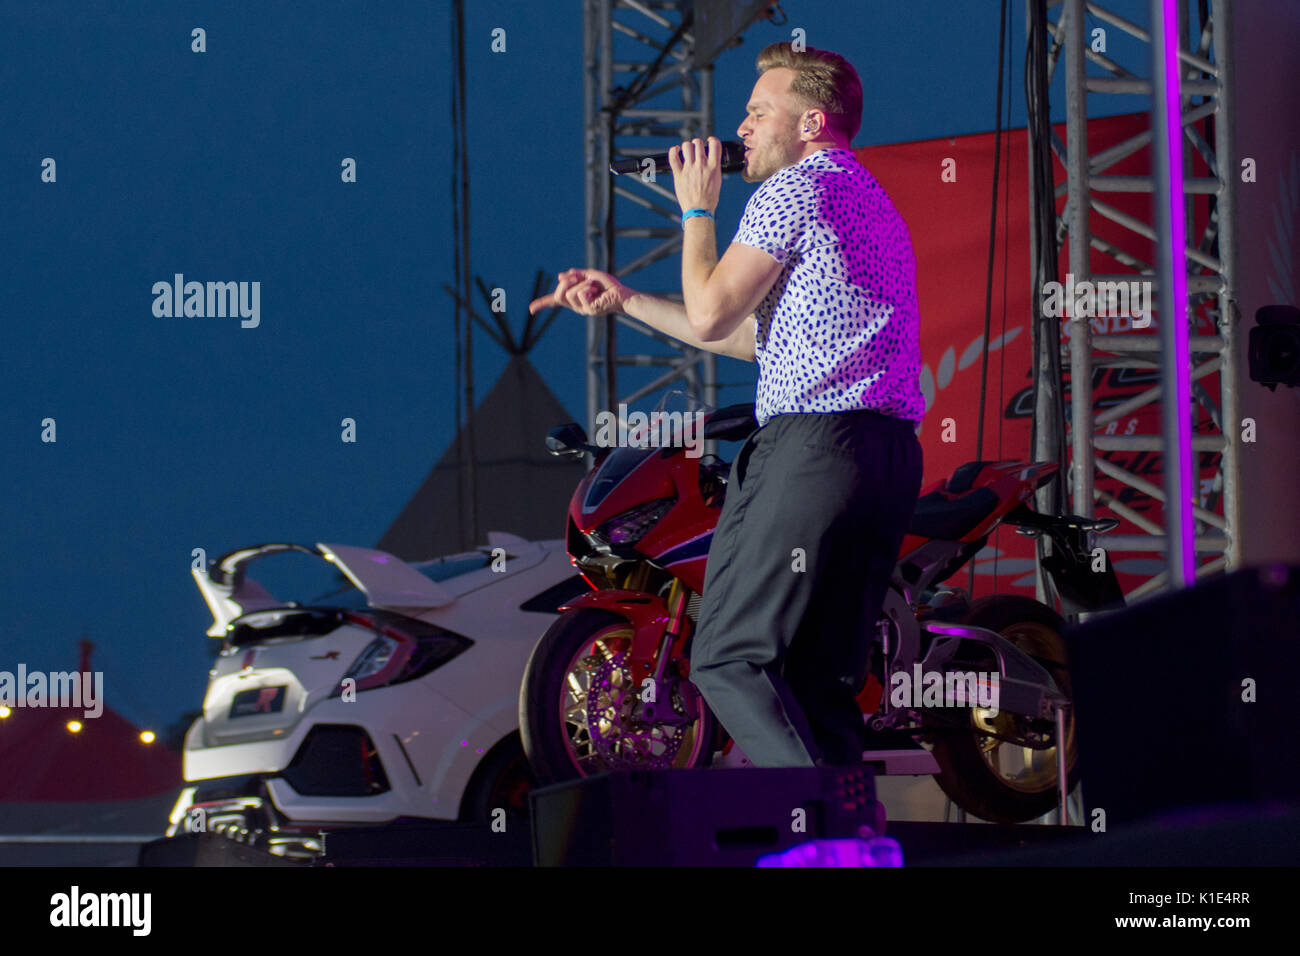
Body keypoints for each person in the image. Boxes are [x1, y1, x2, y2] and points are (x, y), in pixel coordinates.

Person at [530, 41, 926, 767]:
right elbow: (755, 338)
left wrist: (696, 211)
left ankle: (819, 833)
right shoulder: (864, 195)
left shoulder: (793, 190)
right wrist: (627, 300)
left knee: (729, 657)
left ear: (809, 123)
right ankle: (850, 843)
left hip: (813, 448)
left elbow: (711, 315)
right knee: (820, 680)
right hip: (884, 456)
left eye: (756, 111)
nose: (739, 129)